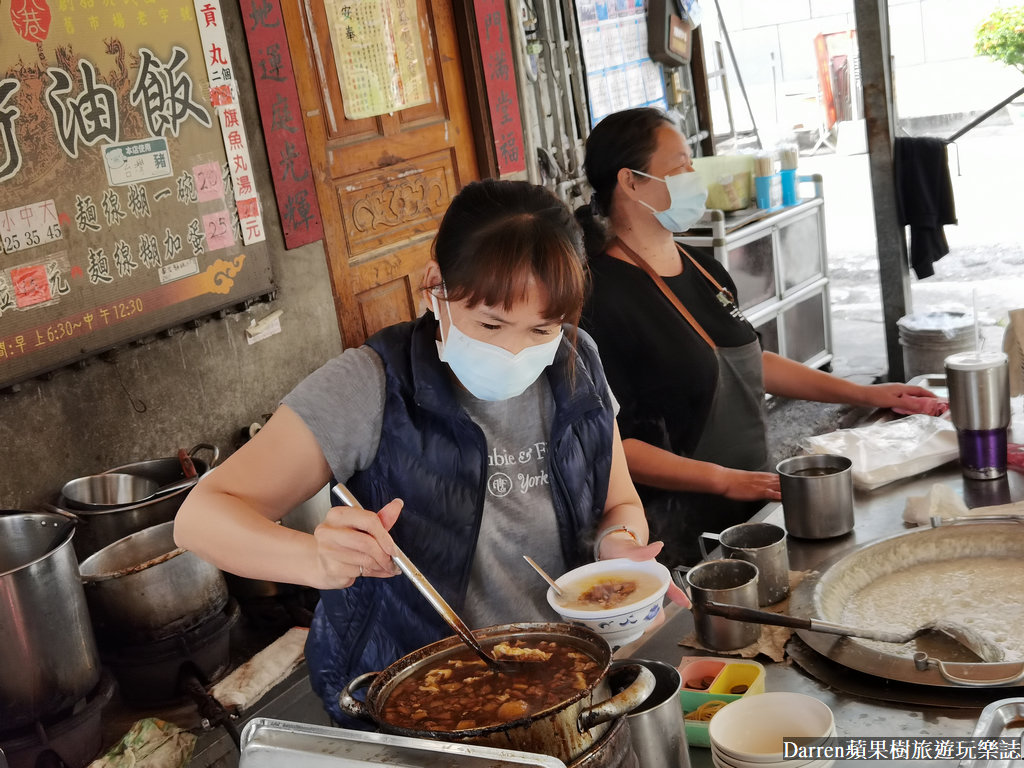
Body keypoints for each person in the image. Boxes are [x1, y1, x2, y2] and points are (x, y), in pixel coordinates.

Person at [174, 179, 672, 725]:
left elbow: (617, 505)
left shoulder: (579, 363)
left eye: (542, 328)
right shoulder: (371, 384)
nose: (514, 351)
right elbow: (200, 518)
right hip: (418, 693)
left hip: (562, 674)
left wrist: (620, 552)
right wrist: (315, 558)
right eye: (490, 324)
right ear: (436, 283)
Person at [575, 108, 942, 567]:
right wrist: (722, 479)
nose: (694, 175)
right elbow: (615, 445)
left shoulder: (704, 268)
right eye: (681, 166)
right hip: (674, 530)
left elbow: (752, 362)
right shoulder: (599, 297)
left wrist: (864, 393)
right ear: (630, 182)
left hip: (753, 499)